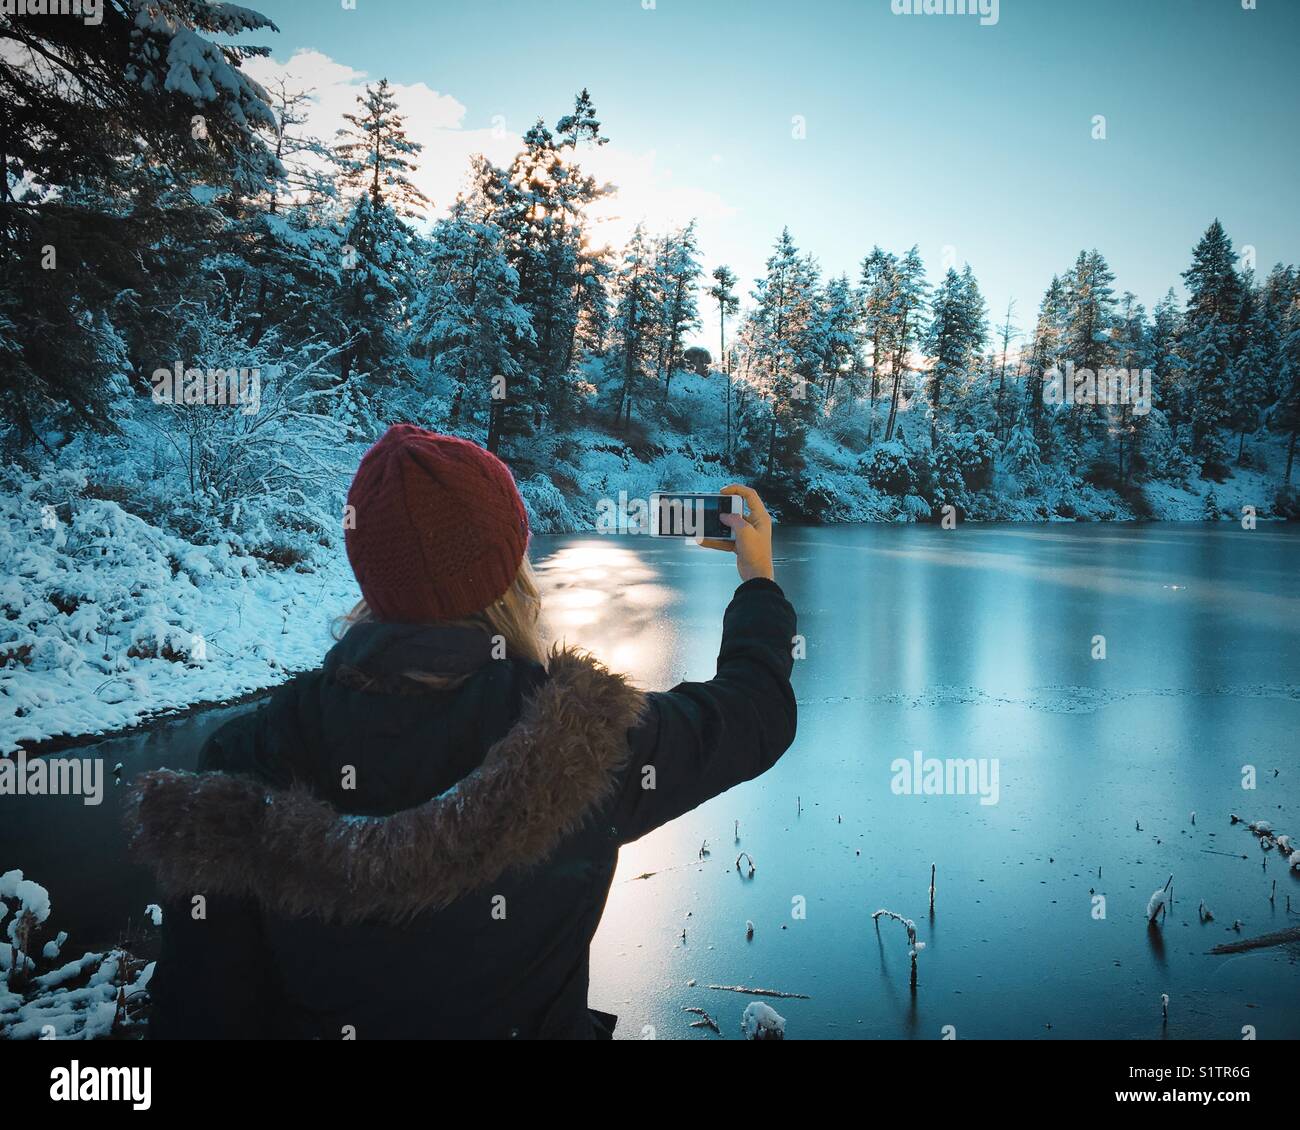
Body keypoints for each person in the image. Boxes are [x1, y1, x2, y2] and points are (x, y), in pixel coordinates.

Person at [129, 424, 798, 1039]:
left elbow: (199, 1014)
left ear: (368, 568)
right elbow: (756, 714)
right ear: (511, 568)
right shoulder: (587, 739)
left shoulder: (245, 758)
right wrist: (757, 576)